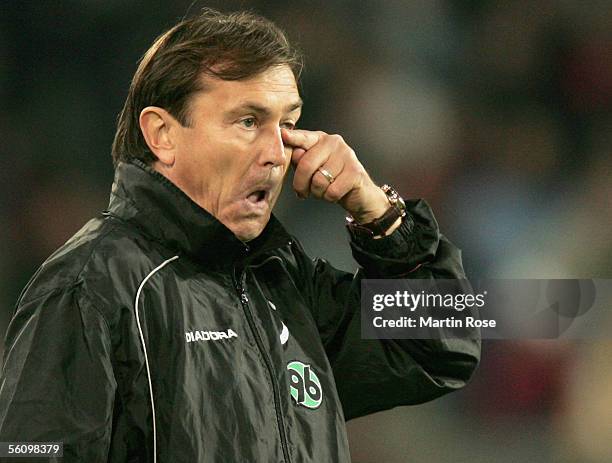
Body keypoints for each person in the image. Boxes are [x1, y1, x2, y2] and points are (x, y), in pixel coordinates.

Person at [0, 8, 480, 462]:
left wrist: (379, 215)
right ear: (162, 134)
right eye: (249, 121)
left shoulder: (281, 281)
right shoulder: (94, 288)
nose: (277, 152)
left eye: (288, 125)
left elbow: (443, 345)